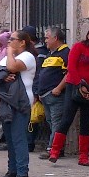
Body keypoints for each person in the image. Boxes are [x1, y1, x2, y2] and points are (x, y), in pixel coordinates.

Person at [49, 26, 89, 166]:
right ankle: (54, 151)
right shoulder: (78, 47)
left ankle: (83, 157)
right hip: (73, 87)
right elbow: (72, 67)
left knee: (85, 123)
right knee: (66, 119)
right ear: (88, 35)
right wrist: (79, 85)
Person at [0, 30, 36, 177]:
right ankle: (12, 169)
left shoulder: (27, 57)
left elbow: (12, 67)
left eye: (12, 39)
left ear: (22, 42)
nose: (9, 42)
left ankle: (22, 172)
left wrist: (10, 53)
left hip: (21, 101)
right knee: (10, 138)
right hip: (7, 100)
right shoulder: (9, 57)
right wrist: (3, 75)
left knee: (19, 137)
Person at [36, 27, 69, 159]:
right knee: (51, 122)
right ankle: (56, 147)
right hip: (45, 95)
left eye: (47, 37)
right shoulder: (51, 54)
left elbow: (69, 73)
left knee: (56, 122)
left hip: (55, 95)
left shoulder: (66, 52)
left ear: (55, 38)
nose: (45, 41)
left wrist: (59, 88)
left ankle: (53, 149)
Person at [22, 25, 49, 153]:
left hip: (36, 88)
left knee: (33, 116)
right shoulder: (37, 52)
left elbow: (39, 72)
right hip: (33, 87)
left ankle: (29, 142)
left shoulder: (39, 53)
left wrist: (36, 90)